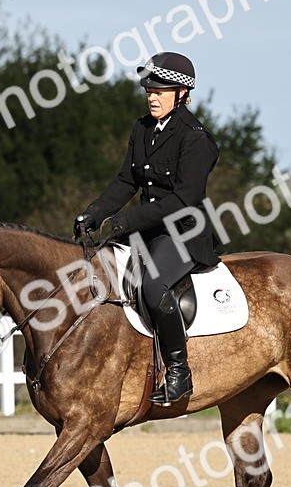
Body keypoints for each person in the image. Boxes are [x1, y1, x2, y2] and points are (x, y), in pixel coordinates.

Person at [73, 51, 220, 406]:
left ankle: (178, 371)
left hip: (184, 231)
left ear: (182, 94)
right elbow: (126, 181)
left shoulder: (195, 138)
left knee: (153, 286)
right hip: (146, 229)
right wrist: (94, 213)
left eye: (161, 90)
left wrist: (127, 221)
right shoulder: (142, 128)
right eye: (149, 90)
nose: (152, 97)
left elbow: (184, 200)